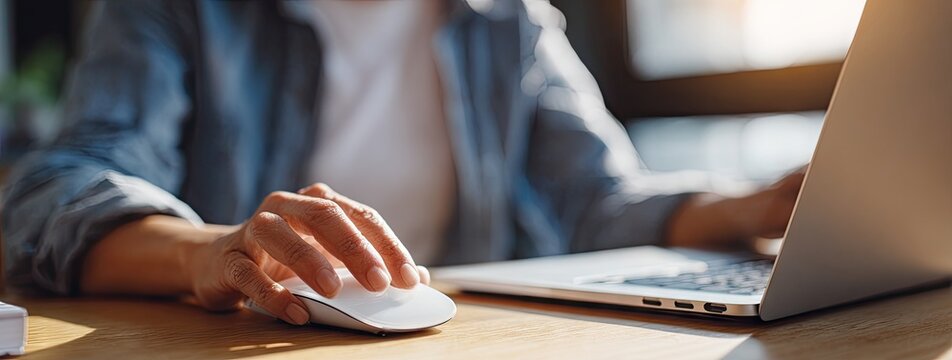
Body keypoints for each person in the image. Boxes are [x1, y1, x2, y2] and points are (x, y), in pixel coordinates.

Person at [1, 0, 803, 326]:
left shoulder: (504, 18)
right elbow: (55, 189)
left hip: (452, 342)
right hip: (257, 342)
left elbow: (597, 198)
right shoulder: (177, 10)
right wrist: (211, 250)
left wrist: (751, 206)